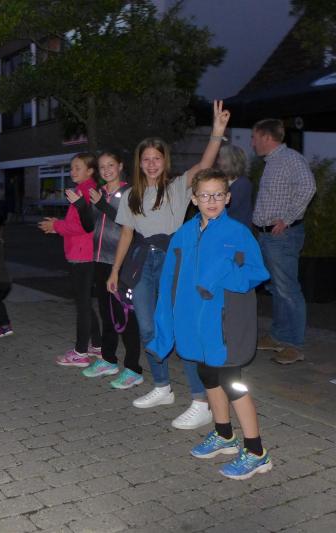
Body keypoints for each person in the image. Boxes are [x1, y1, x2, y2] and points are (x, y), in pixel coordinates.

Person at [106, 100, 230, 430]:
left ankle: (200, 401)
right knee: (148, 327)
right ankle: (162, 387)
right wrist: (115, 271)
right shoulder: (131, 195)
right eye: (146, 159)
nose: (151, 164)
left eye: (156, 158)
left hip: (174, 262)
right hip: (141, 264)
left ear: (165, 161)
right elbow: (126, 235)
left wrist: (216, 132)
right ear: (139, 162)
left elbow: (205, 163)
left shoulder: (178, 187)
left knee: (183, 328)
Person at [149, 169, 272, 480]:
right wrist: (166, 323)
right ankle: (224, 434)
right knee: (207, 372)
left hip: (226, 322)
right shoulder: (183, 234)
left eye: (218, 194)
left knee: (232, 380)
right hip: (195, 322)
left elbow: (257, 273)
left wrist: (222, 273)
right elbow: (169, 281)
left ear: (228, 198)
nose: (212, 200)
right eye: (205, 195)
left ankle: (256, 451)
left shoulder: (238, 233)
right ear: (194, 199)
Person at [251, 119, 316, 365]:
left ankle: (294, 345)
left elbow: (308, 187)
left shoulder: (290, 159)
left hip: (281, 237)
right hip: (268, 236)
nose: (252, 142)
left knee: (287, 289)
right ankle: (279, 335)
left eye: (255, 137)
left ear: (267, 137)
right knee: (275, 287)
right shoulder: (273, 161)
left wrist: (287, 219)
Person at [82, 151, 143, 389]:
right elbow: (91, 225)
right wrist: (82, 206)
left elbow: (128, 224)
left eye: (111, 165)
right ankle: (108, 360)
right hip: (99, 260)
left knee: (124, 315)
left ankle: (133, 369)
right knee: (106, 314)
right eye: (102, 167)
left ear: (120, 166)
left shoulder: (130, 193)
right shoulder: (99, 192)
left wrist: (102, 204)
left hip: (121, 262)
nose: (106, 170)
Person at [38, 153, 102, 367]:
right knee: (84, 302)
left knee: (82, 304)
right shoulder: (83, 189)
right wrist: (58, 224)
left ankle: (80, 352)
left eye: (77, 168)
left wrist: (56, 226)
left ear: (90, 171)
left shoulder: (85, 191)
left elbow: (85, 226)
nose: (72, 171)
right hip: (81, 252)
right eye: (72, 167)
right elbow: (77, 223)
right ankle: (97, 345)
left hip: (82, 254)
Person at [216, 144, 252, 228]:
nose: (218, 161)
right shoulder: (226, 182)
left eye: (221, 158)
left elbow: (226, 207)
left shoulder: (242, 183)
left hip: (237, 232)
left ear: (230, 162)